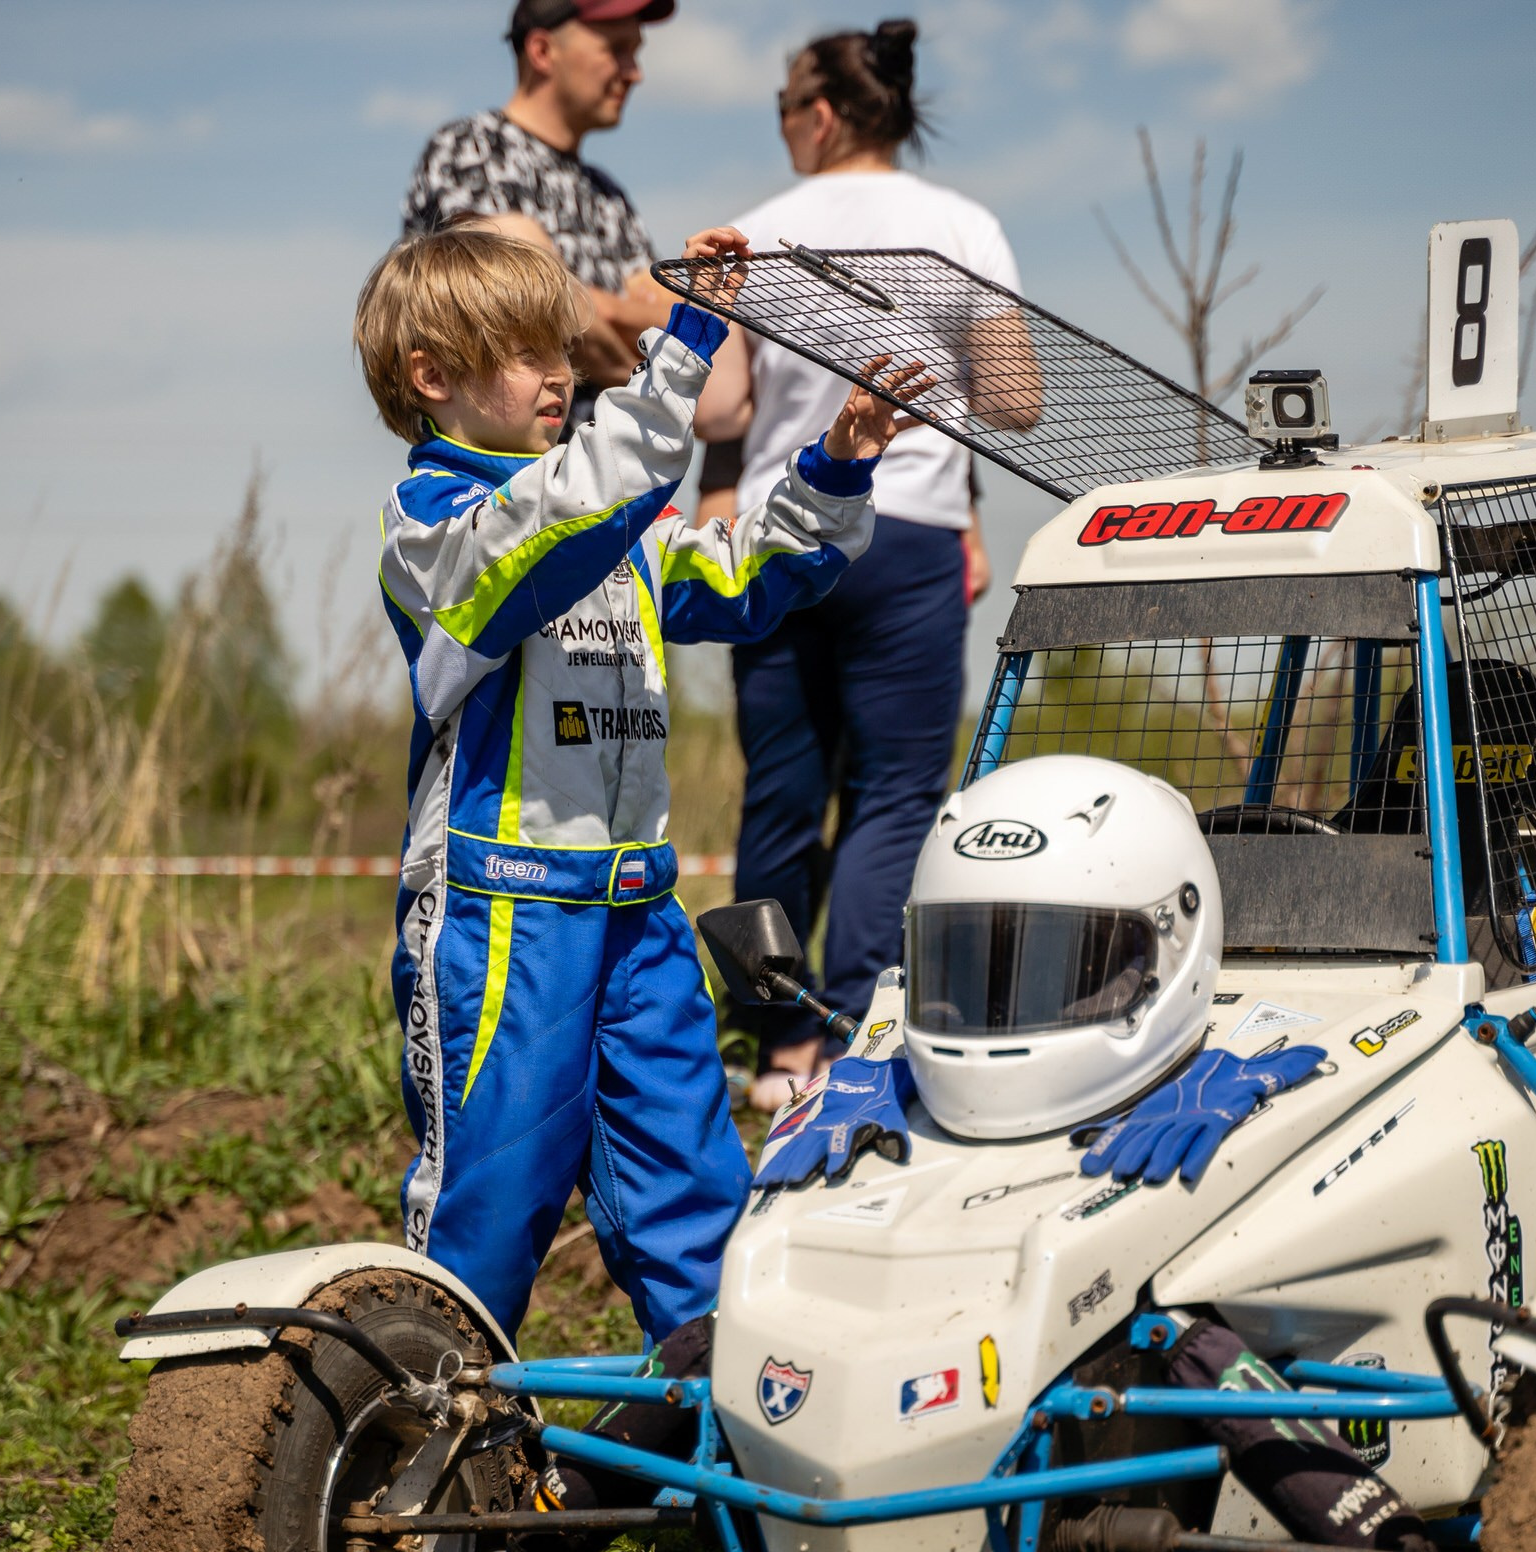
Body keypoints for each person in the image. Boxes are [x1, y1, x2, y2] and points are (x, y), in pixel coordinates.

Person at [353, 222, 932, 1340]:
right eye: (527, 352)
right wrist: (684, 345)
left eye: (564, 348)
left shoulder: (612, 523)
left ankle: (728, 1454)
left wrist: (837, 465)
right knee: (489, 1205)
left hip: (638, 913)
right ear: (433, 378)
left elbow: (742, 574)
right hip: (502, 915)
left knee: (696, 1200)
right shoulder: (434, 527)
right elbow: (558, 523)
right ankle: (434, 1460)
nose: (560, 373)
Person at [691, 19, 1032, 1111]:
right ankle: (853, 1037)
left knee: (782, 796)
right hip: (913, 534)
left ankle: (775, 1049)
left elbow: (721, 410)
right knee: (893, 794)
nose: (783, 128)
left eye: (785, 110)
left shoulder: (756, 234)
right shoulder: (963, 227)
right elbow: (1018, 401)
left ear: (822, 112)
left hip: (788, 529)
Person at [401, 0, 678, 418]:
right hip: (500, 476)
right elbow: (519, 305)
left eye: (635, 53)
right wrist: (646, 384)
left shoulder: (608, 196)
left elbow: (667, 317)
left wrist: (594, 307)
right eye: (616, 49)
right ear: (543, 52)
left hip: (607, 478)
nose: (634, 71)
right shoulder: (471, 149)